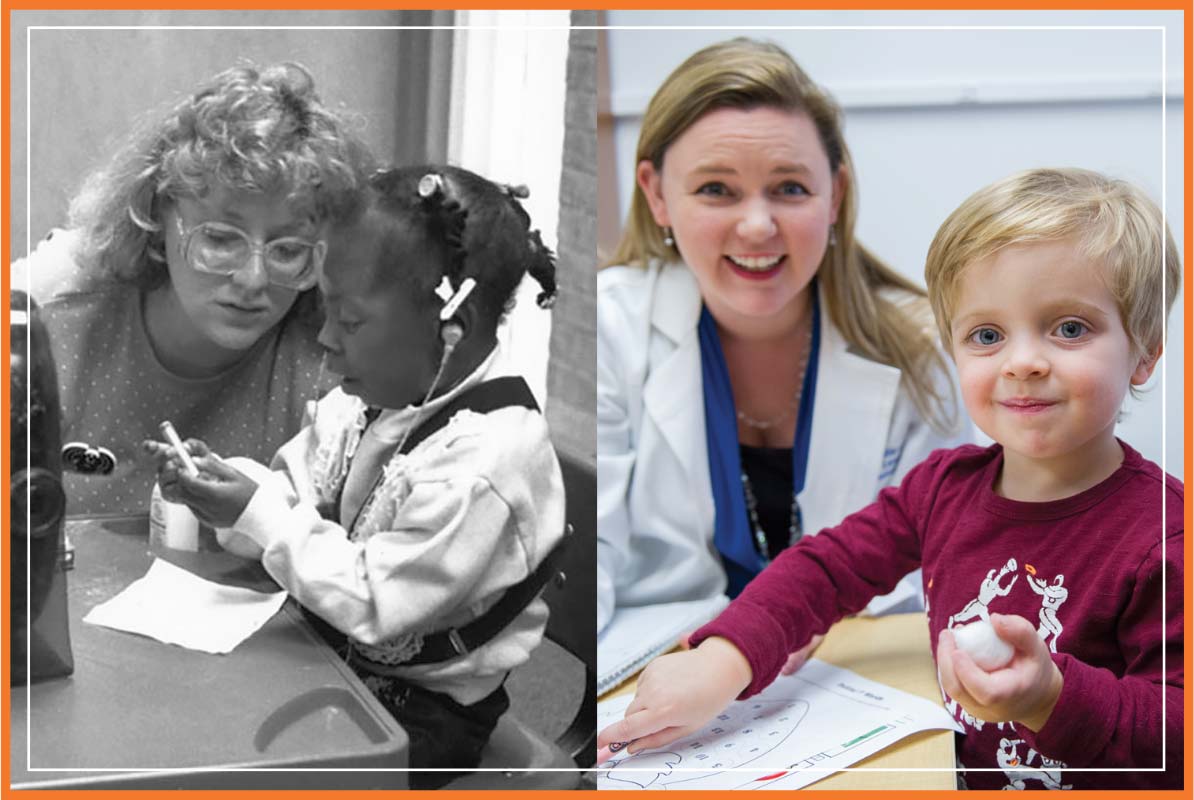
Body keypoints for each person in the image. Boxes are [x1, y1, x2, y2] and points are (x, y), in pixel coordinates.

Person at [598, 167, 1183, 790]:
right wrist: (727, 656)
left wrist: (1051, 697)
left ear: (1144, 350)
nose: (1023, 363)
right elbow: (825, 569)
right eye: (986, 335)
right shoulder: (939, 491)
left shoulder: (1163, 538)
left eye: (1070, 328)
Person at [145, 165, 565, 788]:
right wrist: (234, 495)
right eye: (325, 310)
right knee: (184, 718)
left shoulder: (484, 464)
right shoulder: (371, 395)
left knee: (250, 778)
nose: (324, 337)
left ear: (455, 327)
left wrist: (260, 514)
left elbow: (378, 600)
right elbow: (300, 498)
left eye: (350, 320)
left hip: (422, 711)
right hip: (329, 647)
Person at [597, 38, 969, 638]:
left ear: (835, 196)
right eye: (716, 189)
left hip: (851, 674)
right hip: (661, 662)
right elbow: (591, 561)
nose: (757, 225)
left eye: (790, 188)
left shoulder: (920, 351)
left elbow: (938, 580)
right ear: (657, 194)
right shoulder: (610, 329)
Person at [14, 62, 373, 515]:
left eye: (288, 250)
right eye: (221, 239)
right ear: (156, 214)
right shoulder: (53, 333)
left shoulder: (335, 373)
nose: (252, 280)